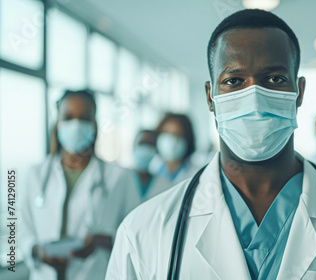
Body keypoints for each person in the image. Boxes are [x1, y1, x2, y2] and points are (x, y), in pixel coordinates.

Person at [106, 9, 316, 280]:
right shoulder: (142, 233)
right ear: (210, 97)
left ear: (299, 91)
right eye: (234, 81)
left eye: (274, 79)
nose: (255, 98)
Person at [19, 89, 141, 280]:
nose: (76, 125)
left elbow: (137, 236)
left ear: (95, 125)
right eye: (68, 117)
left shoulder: (119, 177)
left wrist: (101, 240)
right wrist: (37, 250)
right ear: (57, 123)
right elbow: (20, 232)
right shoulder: (35, 174)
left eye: (84, 118)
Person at [147, 113, 199, 186]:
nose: (171, 140)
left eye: (178, 135)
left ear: (188, 140)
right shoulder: (151, 168)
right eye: (166, 133)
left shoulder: (196, 173)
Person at [132, 129, 171, 201]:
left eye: (150, 144)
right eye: (142, 143)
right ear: (133, 146)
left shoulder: (164, 185)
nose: (146, 148)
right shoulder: (121, 179)